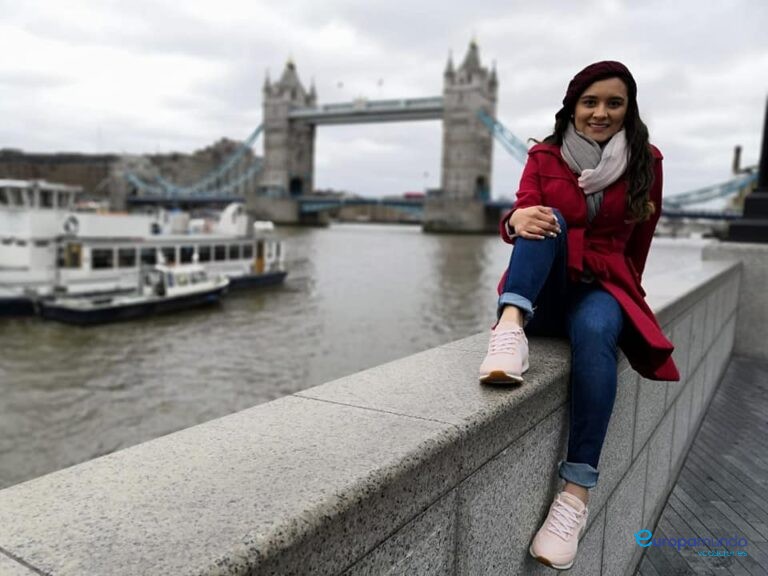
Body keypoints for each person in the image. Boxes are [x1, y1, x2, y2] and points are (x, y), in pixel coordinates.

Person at [478, 61, 680, 570]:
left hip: (601, 286)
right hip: (543, 290)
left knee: (595, 332)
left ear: (628, 109)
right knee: (546, 218)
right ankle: (509, 329)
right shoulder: (543, 156)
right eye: (590, 102)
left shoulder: (646, 163)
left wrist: (624, 299)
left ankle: (574, 497)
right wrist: (512, 219)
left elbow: (639, 245)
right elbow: (522, 214)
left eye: (614, 102)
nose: (600, 112)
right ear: (573, 106)